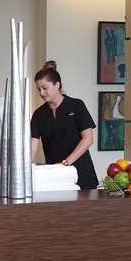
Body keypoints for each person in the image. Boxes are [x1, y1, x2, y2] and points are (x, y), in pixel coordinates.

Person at [30, 60, 99, 190]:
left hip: (82, 175)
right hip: (55, 178)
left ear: (57, 85)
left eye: (45, 88)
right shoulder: (38, 114)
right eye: (38, 89)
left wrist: (66, 163)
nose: (41, 93)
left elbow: (88, 139)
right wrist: (24, 166)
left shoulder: (76, 105)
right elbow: (32, 146)